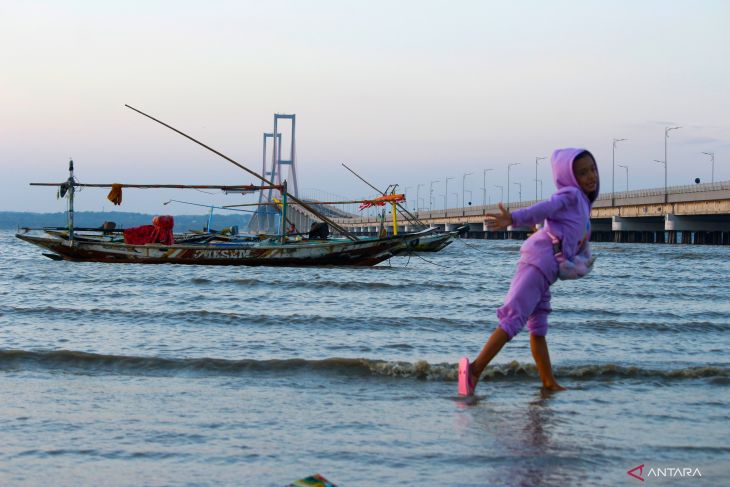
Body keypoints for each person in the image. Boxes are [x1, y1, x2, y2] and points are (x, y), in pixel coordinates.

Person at [458, 148, 599, 396]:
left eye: (592, 169)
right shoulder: (570, 195)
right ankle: (474, 370)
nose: (590, 176)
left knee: (538, 326)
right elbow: (544, 208)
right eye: (582, 172)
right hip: (537, 264)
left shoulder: (583, 205)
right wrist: (513, 218)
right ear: (569, 176)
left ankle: (548, 382)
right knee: (513, 319)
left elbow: (570, 237)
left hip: (547, 272)